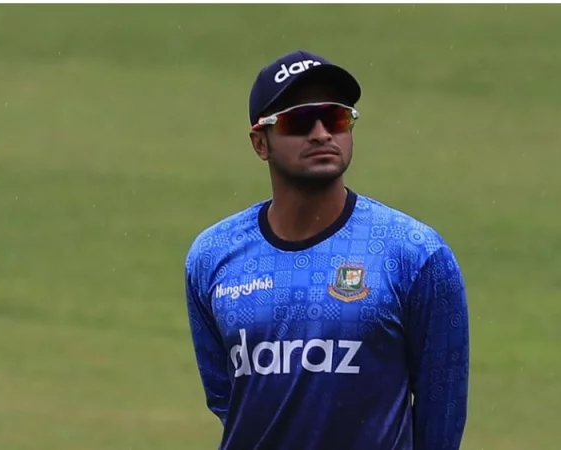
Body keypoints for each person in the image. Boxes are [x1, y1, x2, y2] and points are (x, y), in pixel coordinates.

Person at [184, 49, 469, 450]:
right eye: (298, 121)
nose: (321, 134)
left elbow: (443, 414)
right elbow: (226, 397)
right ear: (259, 143)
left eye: (335, 118)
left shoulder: (415, 254)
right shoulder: (214, 256)